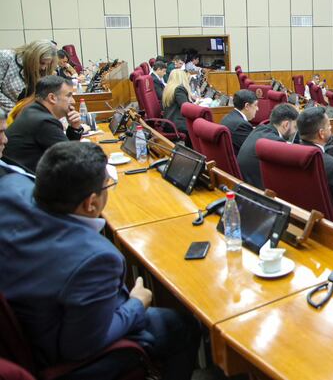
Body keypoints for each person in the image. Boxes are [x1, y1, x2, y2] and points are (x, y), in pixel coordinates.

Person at [0, 142, 200, 380]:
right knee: (181, 325)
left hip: (23, 319)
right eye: (107, 185)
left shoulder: (9, 188)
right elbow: (80, 347)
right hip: (58, 352)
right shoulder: (96, 258)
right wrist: (137, 303)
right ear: (91, 203)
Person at [4, 75, 83, 172]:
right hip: (26, 179)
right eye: (68, 96)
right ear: (52, 98)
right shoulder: (44, 121)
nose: (73, 101)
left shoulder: (32, 111)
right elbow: (73, 158)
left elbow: (67, 152)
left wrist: (75, 128)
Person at [297, 106, 333, 225]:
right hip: (328, 227)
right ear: (321, 133)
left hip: (300, 217)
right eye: (329, 126)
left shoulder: (290, 153)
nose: (330, 128)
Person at [237, 103, 298, 189]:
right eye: (295, 127)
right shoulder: (276, 143)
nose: (295, 131)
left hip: (244, 184)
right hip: (257, 191)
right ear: (286, 125)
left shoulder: (260, 128)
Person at [0, 40, 57, 113]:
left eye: (47, 64)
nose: (43, 68)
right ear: (33, 57)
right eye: (42, 63)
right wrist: (16, 110)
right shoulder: (6, 57)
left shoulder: (44, 70)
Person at [221, 89, 258, 155]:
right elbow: (254, 150)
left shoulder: (227, 117)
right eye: (255, 105)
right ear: (247, 106)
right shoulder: (241, 125)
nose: (257, 109)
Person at [162, 69, 194, 134]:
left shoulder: (169, 88)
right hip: (178, 124)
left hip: (169, 122)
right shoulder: (179, 89)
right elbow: (186, 108)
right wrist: (196, 104)